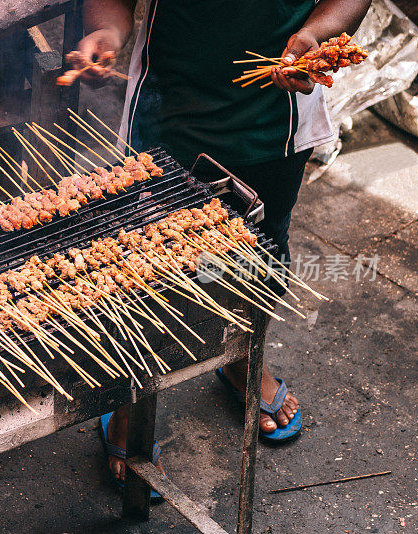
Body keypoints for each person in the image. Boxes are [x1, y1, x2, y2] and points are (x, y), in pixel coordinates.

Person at [74, 0, 372, 487]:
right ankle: (131, 399)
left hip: (277, 108)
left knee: (264, 249)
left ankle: (240, 357)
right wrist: (107, 31)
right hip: (170, 103)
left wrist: (318, 30)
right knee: (142, 269)